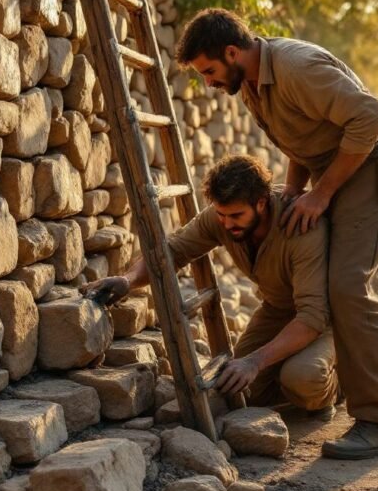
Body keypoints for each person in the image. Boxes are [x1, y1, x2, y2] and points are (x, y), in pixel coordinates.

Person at [172, 8, 378, 459]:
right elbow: (300, 141)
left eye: (209, 71)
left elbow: (371, 120)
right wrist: (294, 194)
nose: (208, 84)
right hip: (332, 169)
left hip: (372, 168)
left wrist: (319, 195)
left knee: (349, 286)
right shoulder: (250, 84)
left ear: (231, 52)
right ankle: (324, 361)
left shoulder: (298, 68)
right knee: (262, 378)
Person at [83, 155, 339, 420]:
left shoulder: (302, 227)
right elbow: (172, 251)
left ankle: (336, 384)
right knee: (239, 390)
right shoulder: (223, 217)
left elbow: (312, 316)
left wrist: (255, 361)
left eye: (236, 216)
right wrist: (128, 280)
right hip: (278, 310)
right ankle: (292, 373)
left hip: (327, 317)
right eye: (221, 215)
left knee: (303, 377)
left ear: (261, 202)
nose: (227, 224)